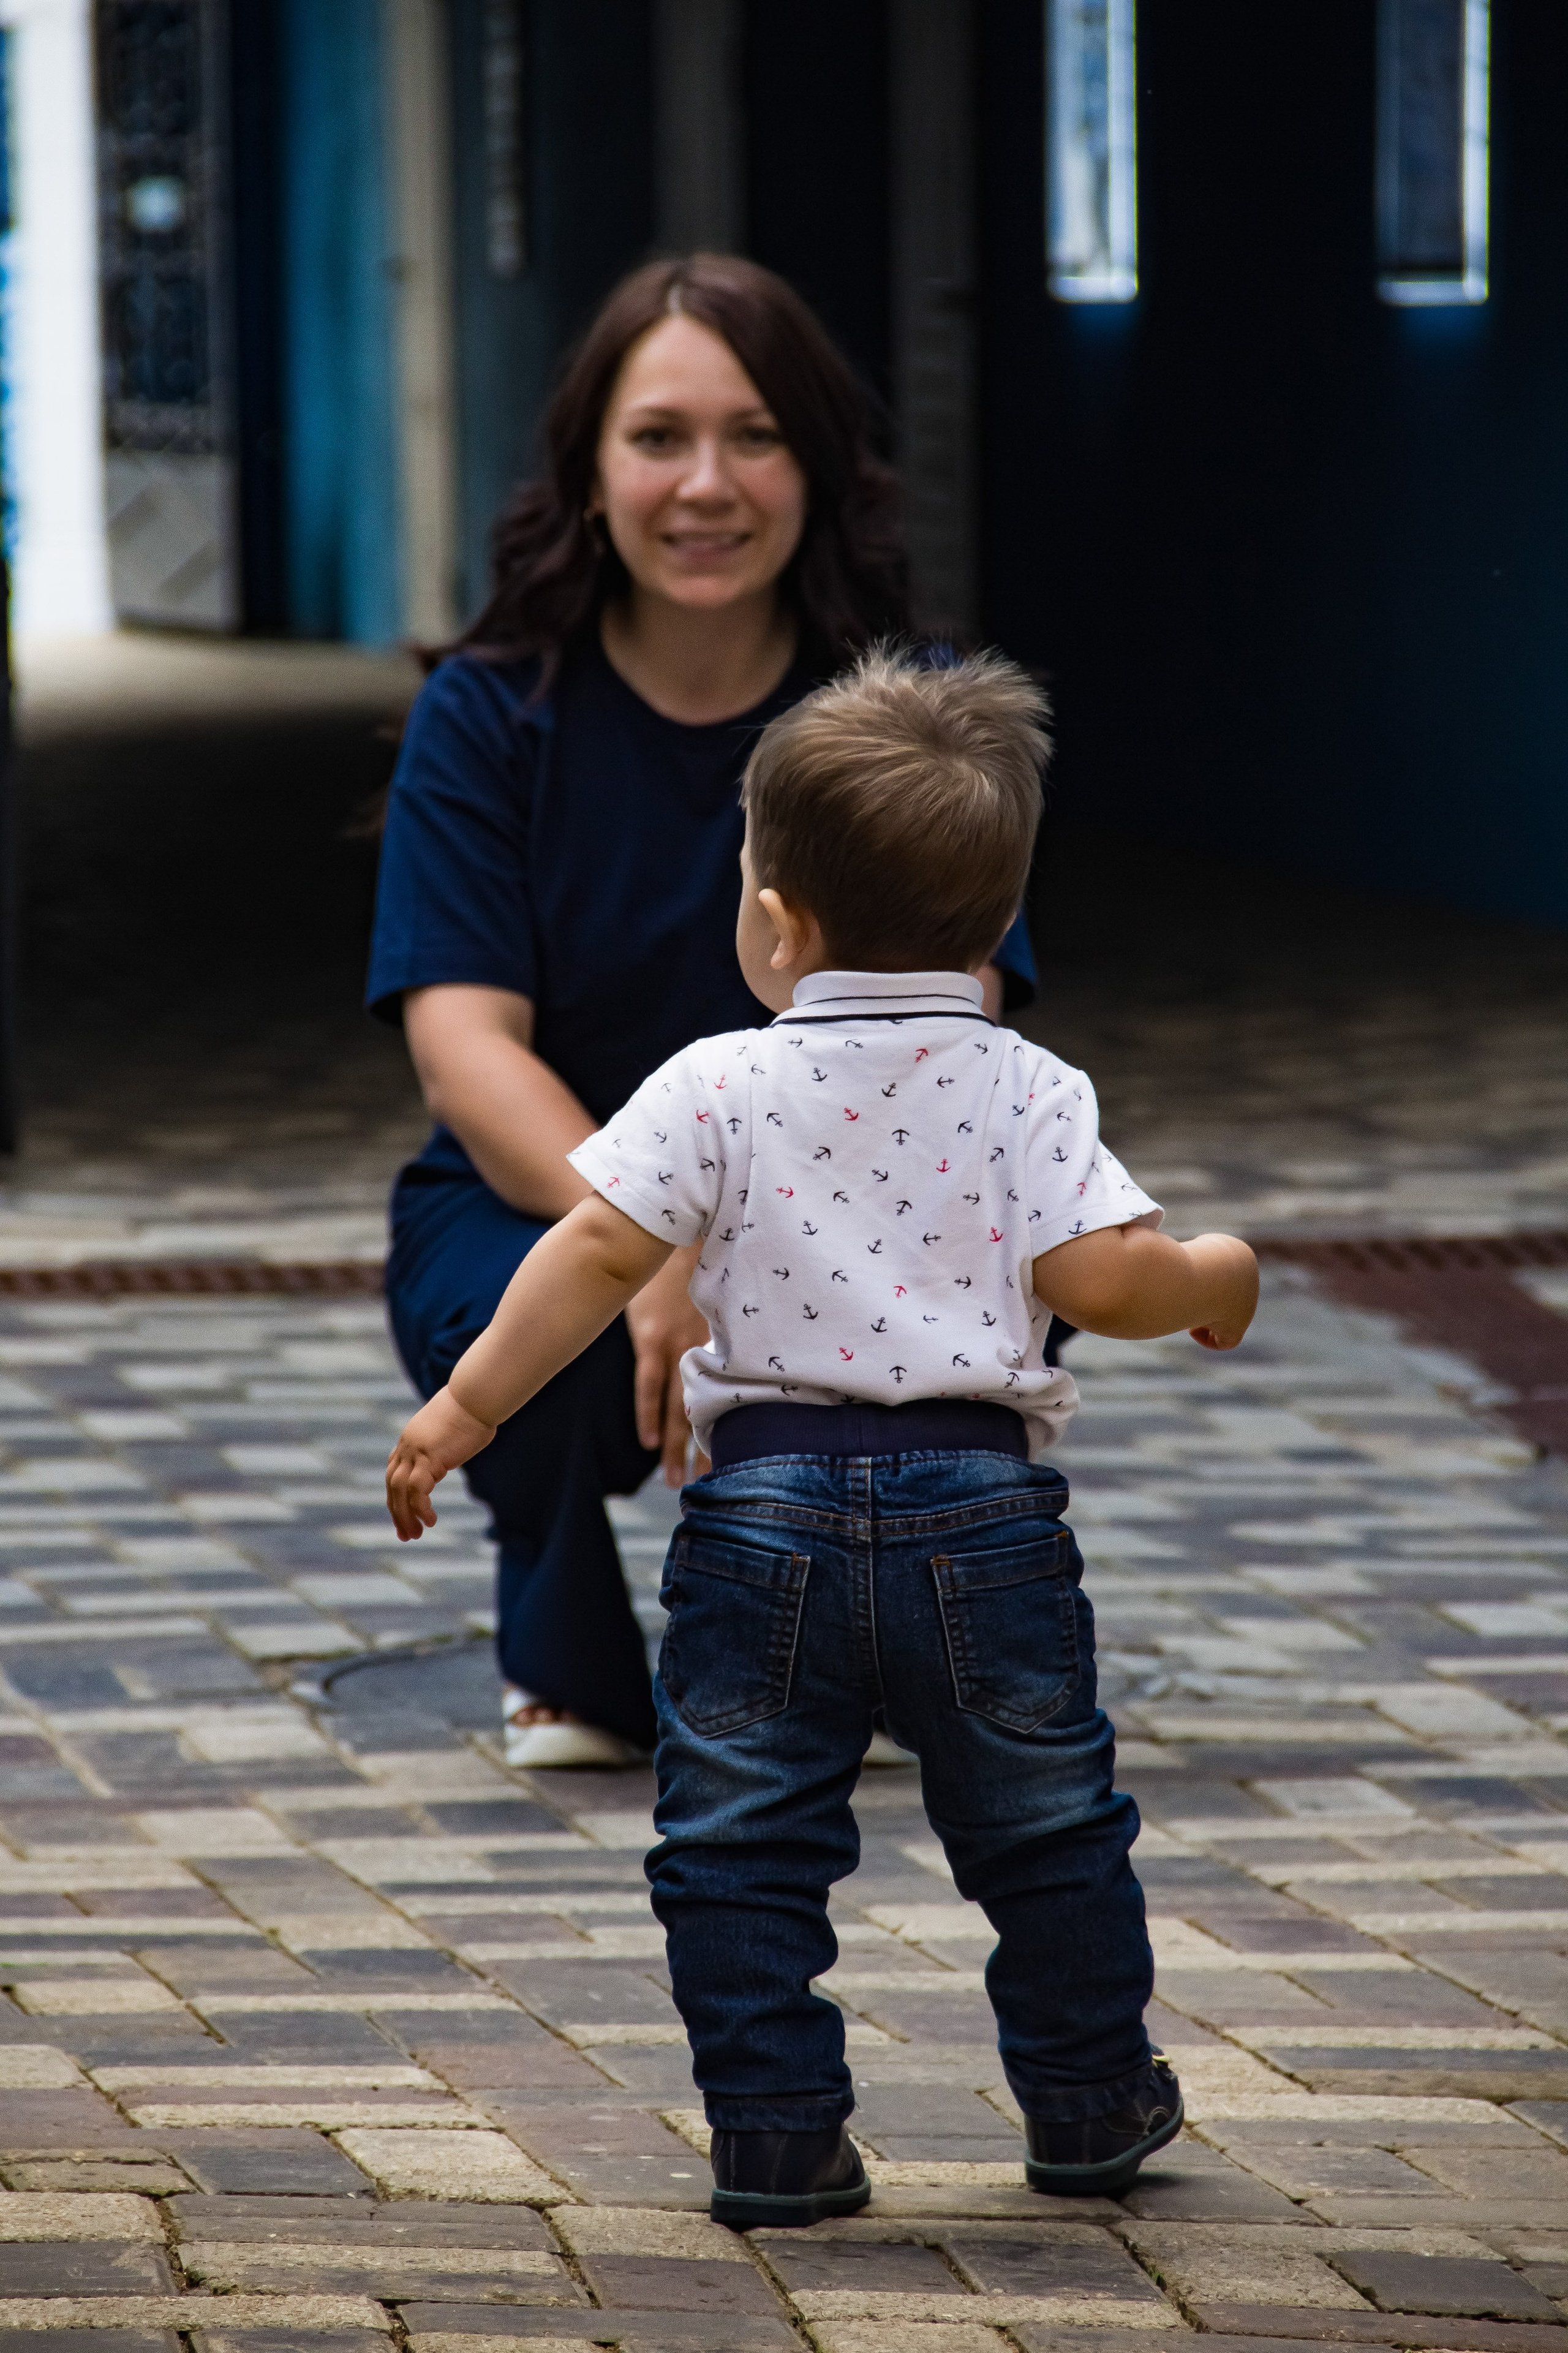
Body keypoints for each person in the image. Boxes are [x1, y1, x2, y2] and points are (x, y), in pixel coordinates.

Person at [384, 648, 1261, 2224]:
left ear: (773, 921)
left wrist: (466, 1405)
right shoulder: (1029, 1088)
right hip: (984, 1518)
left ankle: (776, 2129)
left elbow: (589, 1254)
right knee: (1047, 1824)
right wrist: (1213, 1277)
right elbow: (1096, 1280)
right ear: (995, 922)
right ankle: (1085, 2098)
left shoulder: (713, 1082)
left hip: (762, 1507)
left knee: (733, 1839)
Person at [365, 254, 1038, 1768]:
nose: (705, 483)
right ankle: (564, 1641)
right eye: (658, 436)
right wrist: (666, 1227)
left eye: (754, 435)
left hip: (848, 1172)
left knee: (954, 1280)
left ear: (814, 462)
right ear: (590, 475)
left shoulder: (905, 709)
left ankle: (882, 1620)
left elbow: (963, 1000)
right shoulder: (491, 711)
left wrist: (756, 1225)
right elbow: (464, 1043)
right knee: (537, 1325)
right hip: (541, 1183)